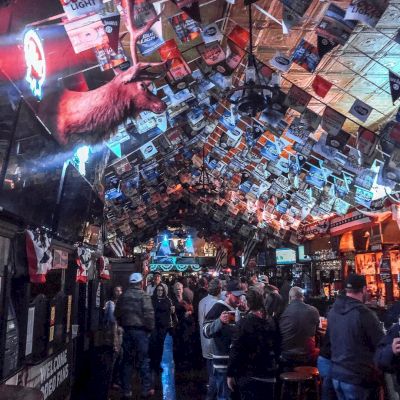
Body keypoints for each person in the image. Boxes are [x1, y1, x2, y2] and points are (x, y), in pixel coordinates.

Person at [327, 274, 384, 400]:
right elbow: (381, 344)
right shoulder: (364, 314)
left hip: (337, 374)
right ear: (364, 289)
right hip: (358, 378)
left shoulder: (332, 311)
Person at [227, 289, 279, 400]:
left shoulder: (244, 323)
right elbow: (277, 344)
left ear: (247, 303)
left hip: (250, 375)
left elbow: (236, 350)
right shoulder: (271, 320)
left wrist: (230, 374)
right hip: (270, 372)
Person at [114, 273, 155, 400]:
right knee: (143, 361)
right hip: (141, 332)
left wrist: (123, 325)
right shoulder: (144, 296)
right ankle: (145, 390)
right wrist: (149, 329)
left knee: (127, 361)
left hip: (127, 332)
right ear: (140, 282)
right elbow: (149, 315)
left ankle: (127, 391)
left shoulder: (123, 296)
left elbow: (117, 313)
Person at [203, 280, 244, 400]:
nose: (238, 299)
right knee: (224, 396)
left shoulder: (236, 309)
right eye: (236, 296)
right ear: (228, 294)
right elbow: (206, 331)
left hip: (233, 363)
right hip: (222, 363)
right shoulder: (218, 308)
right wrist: (219, 321)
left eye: (240, 296)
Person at [279, 286, 320, 368]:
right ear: (303, 297)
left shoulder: (282, 312)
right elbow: (316, 330)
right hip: (307, 355)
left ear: (290, 298)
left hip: (286, 356)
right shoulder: (313, 311)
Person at [198, 279, 222, 400]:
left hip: (204, 342)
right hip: (212, 342)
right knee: (215, 374)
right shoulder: (215, 304)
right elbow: (213, 326)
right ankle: (211, 396)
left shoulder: (202, 301)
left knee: (210, 372)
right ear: (218, 289)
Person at [149, 284, 175, 380]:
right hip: (154, 326)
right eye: (158, 290)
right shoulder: (152, 299)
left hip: (163, 327)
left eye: (161, 290)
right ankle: (153, 364)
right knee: (153, 345)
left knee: (160, 346)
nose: (160, 291)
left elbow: (171, 313)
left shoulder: (167, 300)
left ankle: (157, 364)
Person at [171, 281, 195, 369]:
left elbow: (192, 310)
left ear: (182, 290)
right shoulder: (172, 301)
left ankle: (186, 362)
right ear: (174, 290)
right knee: (177, 344)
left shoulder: (186, 300)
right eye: (176, 289)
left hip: (186, 325)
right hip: (176, 325)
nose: (178, 291)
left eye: (179, 289)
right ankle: (178, 362)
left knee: (186, 343)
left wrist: (189, 312)